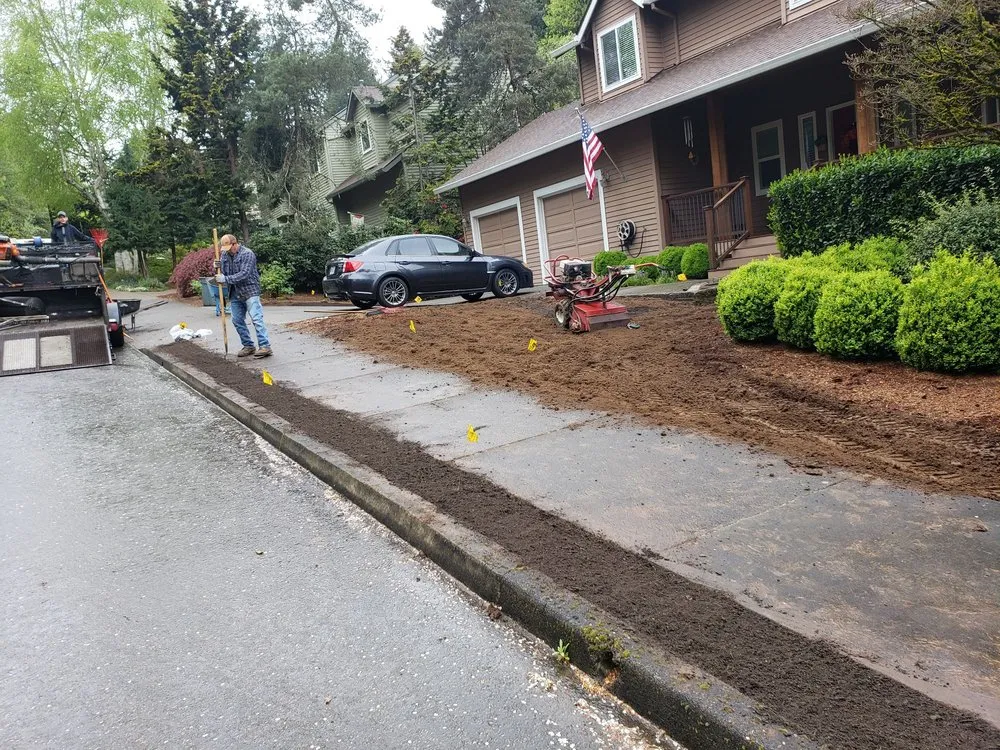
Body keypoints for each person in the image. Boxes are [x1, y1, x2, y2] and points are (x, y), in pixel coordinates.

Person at [215, 234, 271, 358]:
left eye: (230, 247)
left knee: (256, 319)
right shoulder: (224, 255)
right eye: (226, 248)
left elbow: (244, 274)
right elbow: (224, 272)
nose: (228, 250)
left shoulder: (247, 254)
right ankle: (248, 346)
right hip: (234, 292)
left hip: (250, 290)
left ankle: (265, 346)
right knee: (237, 320)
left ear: (235, 244)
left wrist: (225, 279)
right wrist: (218, 267)